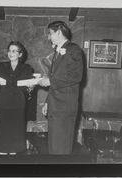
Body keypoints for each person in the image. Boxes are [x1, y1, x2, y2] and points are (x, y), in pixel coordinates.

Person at [38, 21, 83, 154]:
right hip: (55, 106)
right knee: (54, 146)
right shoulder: (57, 53)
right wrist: (47, 102)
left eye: (50, 33)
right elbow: (57, 79)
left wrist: (50, 81)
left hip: (65, 108)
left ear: (58, 32)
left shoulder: (74, 49)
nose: (48, 37)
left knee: (61, 147)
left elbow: (76, 76)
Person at [0, 41, 33, 155]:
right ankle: (2, 154)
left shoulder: (27, 68)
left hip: (18, 103)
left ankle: (14, 156)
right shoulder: (0, 66)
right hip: (3, 102)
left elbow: (27, 89)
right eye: (9, 51)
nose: (11, 53)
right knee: (3, 130)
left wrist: (30, 88)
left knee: (16, 130)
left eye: (14, 51)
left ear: (20, 54)